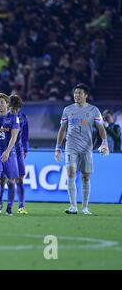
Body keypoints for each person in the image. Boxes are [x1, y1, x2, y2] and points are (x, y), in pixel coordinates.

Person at [55, 83, 109, 215]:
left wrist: (105, 143)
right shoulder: (67, 110)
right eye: (75, 93)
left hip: (86, 148)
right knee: (71, 174)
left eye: (79, 93)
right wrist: (57, 147)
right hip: (71, 147)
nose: (76, 95)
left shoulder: (94, 110)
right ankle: (73, 206)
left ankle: (85, 207)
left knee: (85, 177)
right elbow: (62, 129)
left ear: (86, 95)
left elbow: (101, 128)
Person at [9, 95, 29, 214]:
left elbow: (25, 135)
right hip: (6, 151)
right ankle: (1, 205)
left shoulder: (23, 118)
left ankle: (21, 206)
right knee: (5, 179)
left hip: (18, 150)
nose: (15, 111)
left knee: (20, 178)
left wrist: (25, 149)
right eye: (12, 109)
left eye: (17, 109)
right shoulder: (4, 118)